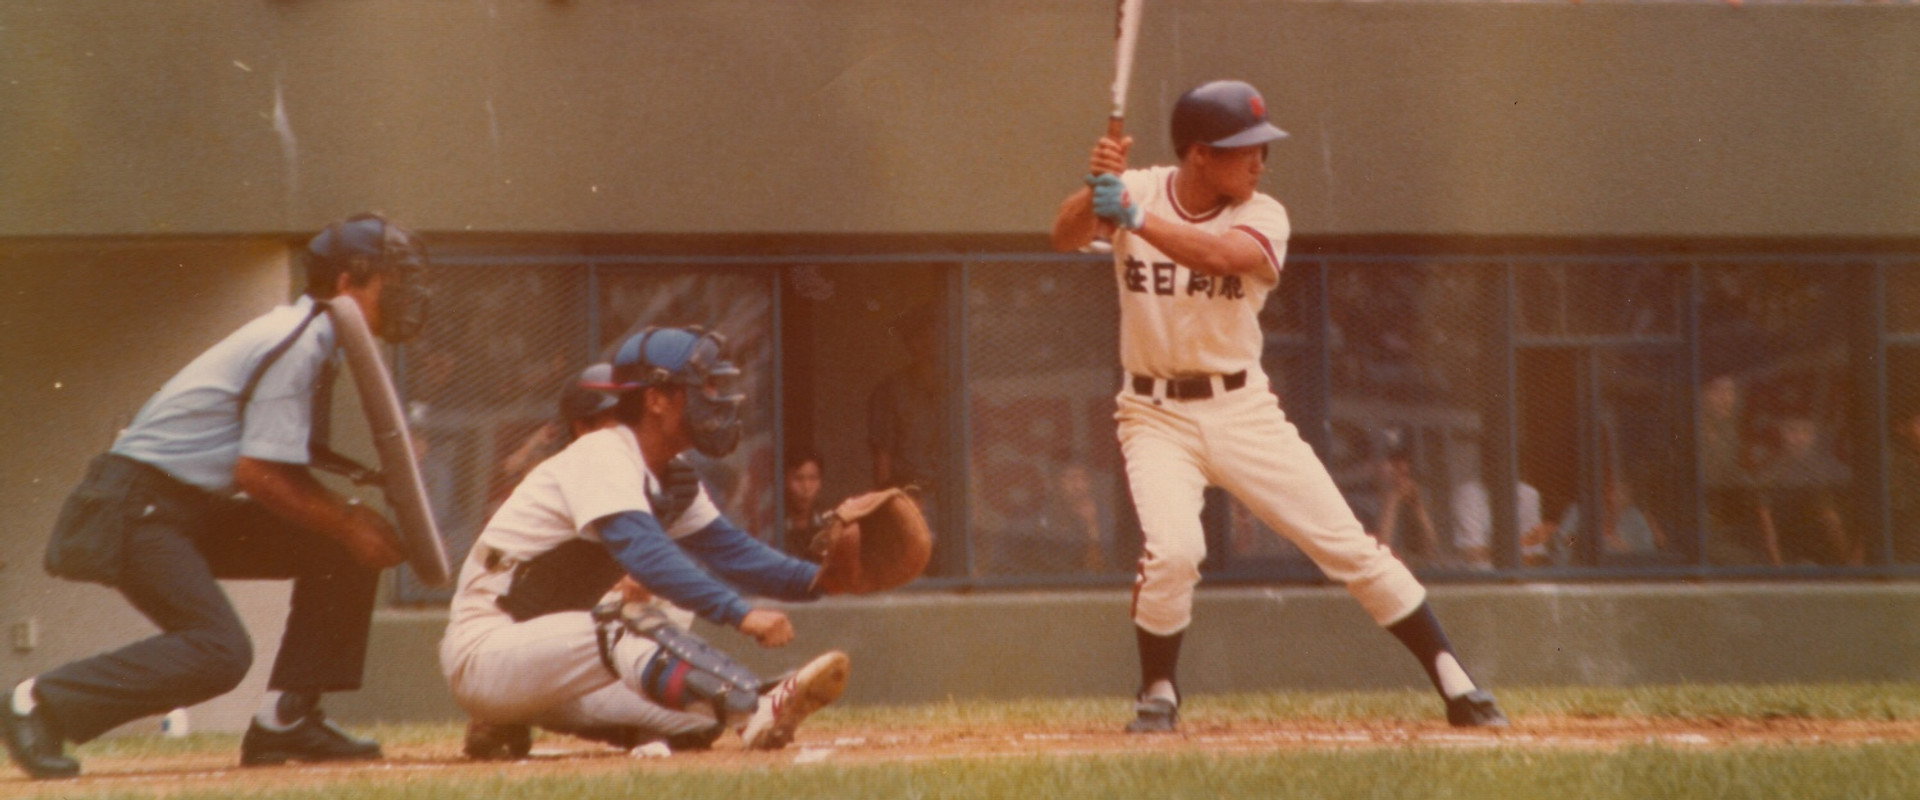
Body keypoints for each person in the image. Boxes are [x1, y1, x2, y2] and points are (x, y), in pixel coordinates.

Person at [1049, 80, 1507, 733]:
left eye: (1263, 148)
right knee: (1174, 552)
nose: (1259, 161)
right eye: (1245, 149)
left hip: (1240, 408)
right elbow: (1064, 235)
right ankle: (1159, 691)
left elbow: (1221, 255)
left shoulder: (1263, 215)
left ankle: (1455, 681)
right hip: (1154, 414)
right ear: (1199, 154)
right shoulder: (1140, 187)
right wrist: (1095, 185)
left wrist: (1134, 217)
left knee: (1346, 545)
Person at [2, 214, 430, 780]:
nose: (406, 295)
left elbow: (271, 461)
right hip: (136, 506)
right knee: (220, 651)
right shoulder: (300, 342)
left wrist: (352, 513)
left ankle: (287, 721)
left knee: (338, 547)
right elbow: (259, 474)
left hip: (182, 505)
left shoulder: (316, 337)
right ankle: (37, 702)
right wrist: (349, 518)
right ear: (348, 282)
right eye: (393, 280)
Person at [441, 326, 850, 760]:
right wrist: (741, 614)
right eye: (704, 386)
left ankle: (508, 719)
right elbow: (647, 555)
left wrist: (830, 578)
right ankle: (755, 706)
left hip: (553, 663)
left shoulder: (671, 473)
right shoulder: (602, 452)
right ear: (656, 398)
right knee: (629, 619)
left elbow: (735, 554)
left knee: (698, 718)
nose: (716, 398)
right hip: (490, 648)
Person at [1350, 429, 1443, 565]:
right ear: (1370, 466)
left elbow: (1432, 553)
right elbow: (1377, 555)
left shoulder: (1408, 503)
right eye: (1392, 462)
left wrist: (1419, 509)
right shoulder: (1358, 506)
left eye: (1404, 461)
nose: (1401, 468)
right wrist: (1392, 502)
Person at [782, 448, 828, 561]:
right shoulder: (773, 525)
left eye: (813, 478)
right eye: (798, 478)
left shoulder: (828, 525)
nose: (806, 487)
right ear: (784, 481)